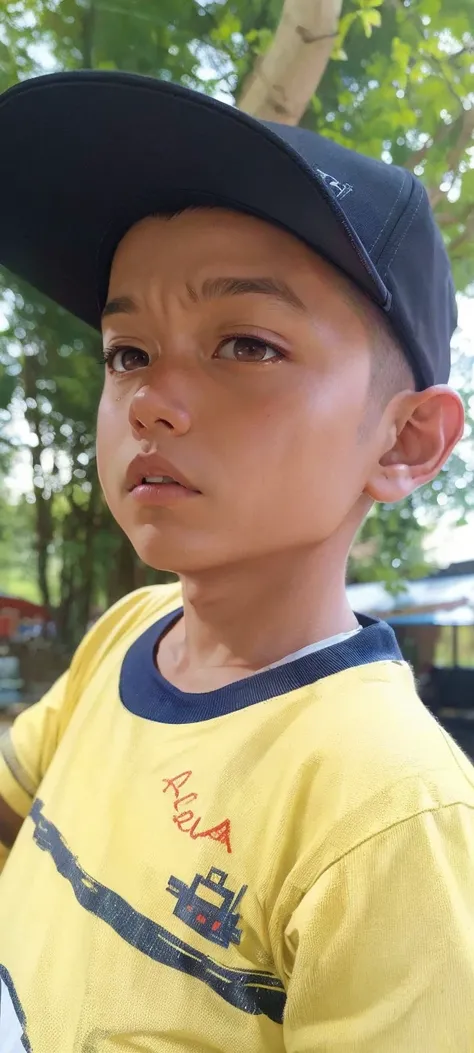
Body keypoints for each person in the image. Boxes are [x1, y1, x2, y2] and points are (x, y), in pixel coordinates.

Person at [0, 71, 472, 1053]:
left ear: (406, 444)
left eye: (245, 343)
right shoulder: (127, 635)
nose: (151, 401)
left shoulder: (392, 816)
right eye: (127, 352)